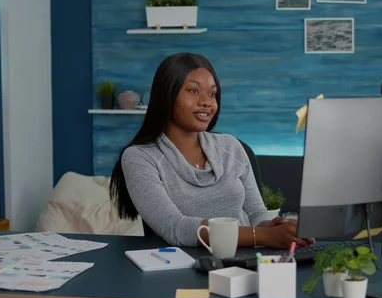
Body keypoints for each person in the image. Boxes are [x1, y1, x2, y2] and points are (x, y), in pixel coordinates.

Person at [109, 52, 314, 249]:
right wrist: (262, 236)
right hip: (181, 268)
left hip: (246, 262)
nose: (207, 102)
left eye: (212, 93)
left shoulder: (231, 146)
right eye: (194, 91)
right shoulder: (140, 157)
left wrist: (274, 227)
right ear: (167, 95)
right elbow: (174, 227)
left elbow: (256, 214)